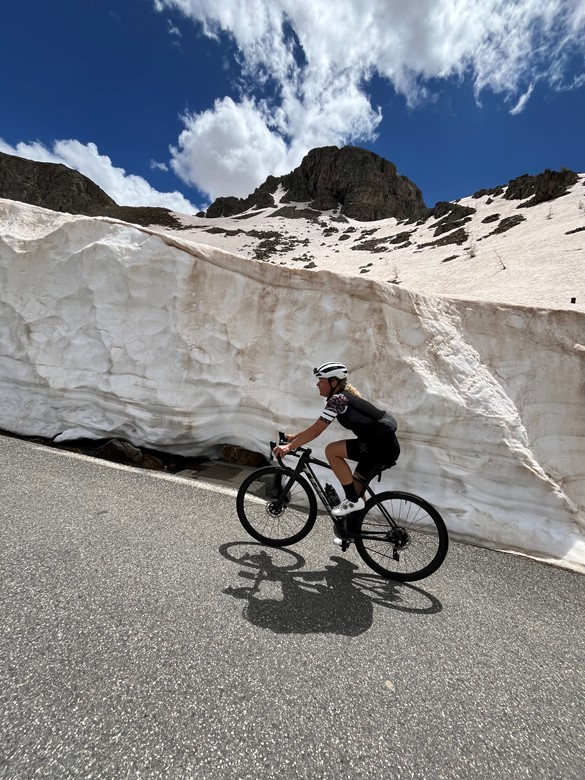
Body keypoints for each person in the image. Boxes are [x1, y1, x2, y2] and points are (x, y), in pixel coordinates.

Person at [272, 362, 400, 539]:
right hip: (379, 446)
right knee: (356, 491)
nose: (318, 384)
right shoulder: (342, 398)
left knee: (332, 451)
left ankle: (352, 502)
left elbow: (317, 430)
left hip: (380, 447)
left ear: (333, 382)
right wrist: (295, 437)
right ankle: (350, 532)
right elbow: (315, 427)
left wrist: (288, 447)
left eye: (321, 381)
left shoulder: (338, 400)